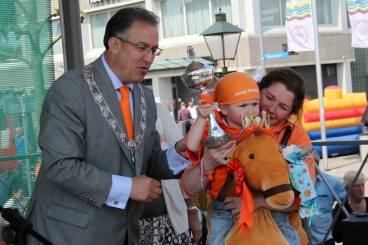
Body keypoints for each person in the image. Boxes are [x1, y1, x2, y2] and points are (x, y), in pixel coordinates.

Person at [25, 7, 192, 245]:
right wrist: (128, 188)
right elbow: (60, 166)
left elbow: (149, 163)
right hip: (68, 234)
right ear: (114, 45)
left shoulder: (145, 96)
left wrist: (180, 152)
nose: (149, 57)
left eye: (154, 50)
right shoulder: (70, 90)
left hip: (124, 233)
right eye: (141, 47)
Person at [181, 68, 315, 244]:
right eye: (268, 98)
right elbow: (188, 186)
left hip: (277, 230)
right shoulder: (219, 126)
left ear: (291, 112)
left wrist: (257, 202)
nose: (271, 109)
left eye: (282, 107)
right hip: (225, 218)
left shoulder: (296, 137)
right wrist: (207, 164)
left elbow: (304, 196)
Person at [140, 103, 201, 244]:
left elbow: (185, 162)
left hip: (170, 220)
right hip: (125, 226)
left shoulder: (156, 110)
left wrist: (192, 210)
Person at [311, 151, 346, 245]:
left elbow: (346, 203)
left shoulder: (332, 182)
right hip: (302, 239)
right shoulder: (297, 182)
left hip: (326, 239)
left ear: (316, 163)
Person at [332, 170, 368, 243]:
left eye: (362, 185)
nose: (361, 189)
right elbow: (337, 236)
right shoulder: (341, 207)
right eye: (357, 186)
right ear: (347, 189)